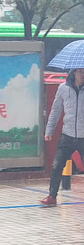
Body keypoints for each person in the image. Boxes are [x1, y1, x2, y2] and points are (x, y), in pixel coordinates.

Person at [40, 68, 84, 206]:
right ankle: (52, 196)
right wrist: (49, 130)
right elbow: (56, 110)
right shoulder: (63, 88)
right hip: (67, 135)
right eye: (80, 71)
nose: (82, 74)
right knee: (56, 165)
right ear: (74, 72)